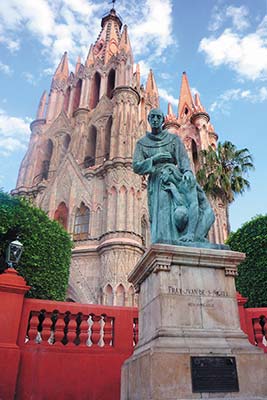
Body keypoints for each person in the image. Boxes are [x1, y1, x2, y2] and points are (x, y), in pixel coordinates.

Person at [133, 108, 214, 245]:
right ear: (149, 120)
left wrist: (187, 171)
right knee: (161, 213)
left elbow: (183, 159)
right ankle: (164, 243)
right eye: (152, 117)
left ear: (163, 120)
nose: (155, 120)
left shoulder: (173, 139)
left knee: (180, 209)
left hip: (173, 176)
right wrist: (154, 159)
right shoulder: (142, 143)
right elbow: (136, 166)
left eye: (158, 117)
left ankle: (181, 239)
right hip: (157, 181)